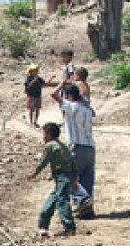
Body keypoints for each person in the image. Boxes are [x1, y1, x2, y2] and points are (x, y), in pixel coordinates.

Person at [51, 83, 96, 220]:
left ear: (69, 96)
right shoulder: (87, 109)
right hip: (90, 147)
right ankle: (87, 210)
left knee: (67, 178)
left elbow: (53, 94)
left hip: (77, 146)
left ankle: (83, 199)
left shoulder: (72, 106)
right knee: (86, 179)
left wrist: (61, 85)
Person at [26, 122, 78, 237]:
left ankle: (69, 228)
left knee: (62, 201)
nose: (43, 136)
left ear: (48, 134)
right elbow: (73, 162)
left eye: (44, 134)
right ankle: (43, 225)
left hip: (62, 176)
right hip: (67, 176)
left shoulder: (50, 146)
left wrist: (34, 174)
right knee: (53, 198)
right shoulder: (63, 145)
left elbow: (43, 162)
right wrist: (74, 179)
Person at [25, 63, 46, 128]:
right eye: (35, 70)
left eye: (37, 70)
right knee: (31, 109)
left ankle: (35, 121)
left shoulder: (39, 78)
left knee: (37, 108)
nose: (37, 71)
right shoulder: (28, 78)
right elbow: (27, 86)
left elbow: (44, 84)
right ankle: (31, 122)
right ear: (31, 71)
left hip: (38, 95)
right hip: (31, 95)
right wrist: (34, 80)